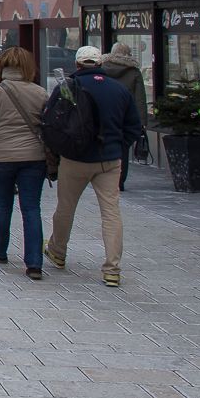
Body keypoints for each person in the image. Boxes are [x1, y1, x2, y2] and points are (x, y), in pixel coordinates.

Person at [46, 45, 144, 288]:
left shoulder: (68, 87)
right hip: (109, 160)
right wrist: (118, 146)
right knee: (111, 213)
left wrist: (59, 152)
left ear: (78, 65)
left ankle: (58, 252)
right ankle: (112, 269)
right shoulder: (119, 89)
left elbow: (51, 123)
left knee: (66, 208)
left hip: (75, 159)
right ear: (100, 63)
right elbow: (134, 126)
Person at [0, 47, 48, 280]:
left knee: (3, 204)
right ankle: (34, 263)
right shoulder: (40, 93)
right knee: (31, 208)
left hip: (2, 158)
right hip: (34, 158)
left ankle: (0, 248)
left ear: (2, 67)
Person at [101, 41, 149, 191]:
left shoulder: (102, 68)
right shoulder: (134, 72)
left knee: (104, 146)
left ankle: (104, 178)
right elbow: (140, 99)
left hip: (104, 116)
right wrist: (142, 122)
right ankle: (119, 181)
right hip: (125, 118)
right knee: (123, 151)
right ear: (128, 54)